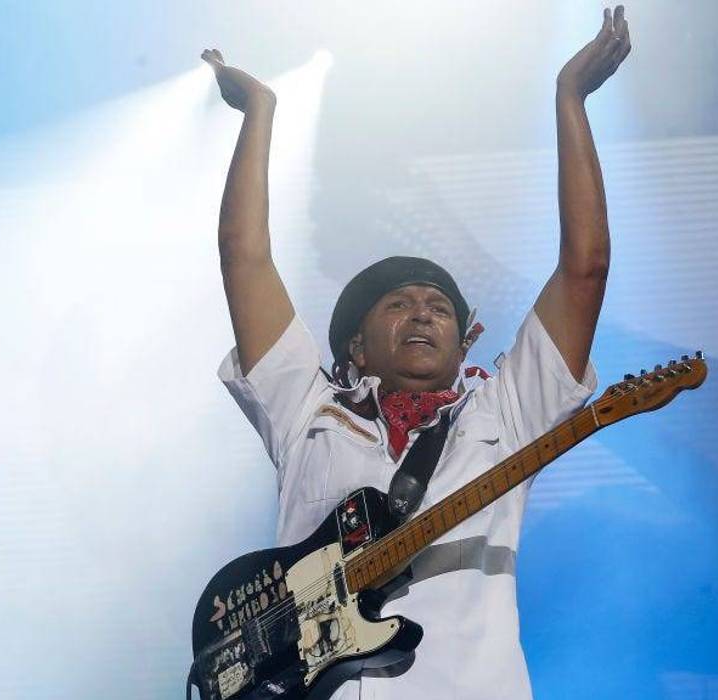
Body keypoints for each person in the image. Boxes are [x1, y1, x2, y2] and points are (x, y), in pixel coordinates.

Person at [202, 6, 631, 699]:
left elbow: (586, 267)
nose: (423, 314)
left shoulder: (507, 411)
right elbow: (242, 258)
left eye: (439, 308)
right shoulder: (307, 410)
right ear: (354, 345)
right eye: (398, 303)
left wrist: (569, 99)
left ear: (464, 343)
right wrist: (260, 110)